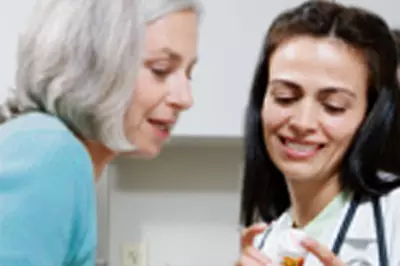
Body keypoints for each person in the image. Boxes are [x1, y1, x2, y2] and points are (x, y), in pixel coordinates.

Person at [0, 0, 201, 265]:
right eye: (160, 70)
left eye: (189, 73)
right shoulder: (49, 153)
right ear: (92, 64)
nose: (185, 99)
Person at [236, 1, 400, 265]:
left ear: (371, 117)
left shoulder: (394, 216)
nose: (303, 122)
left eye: (333, 106)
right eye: (285, 97)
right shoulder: (266, 244)